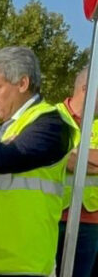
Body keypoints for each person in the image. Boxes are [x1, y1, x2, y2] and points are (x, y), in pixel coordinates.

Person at [0, 46, 75, 277]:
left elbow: (3, 159)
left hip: (26, 264)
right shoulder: (0, 127)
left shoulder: (50, 124)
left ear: (23, 83)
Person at [55, 67, 98, 277]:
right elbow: (51, 153)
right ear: (86, 88)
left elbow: (62, 155)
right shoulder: (52, 117)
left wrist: (71, 151)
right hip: (54, 215)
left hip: (90, 220)